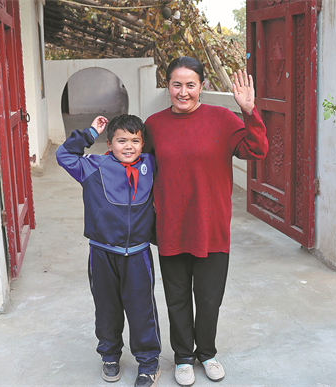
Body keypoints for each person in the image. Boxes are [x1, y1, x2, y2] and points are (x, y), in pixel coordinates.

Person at [143, 57, 269, 386]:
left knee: (210, 297)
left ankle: (208, 353)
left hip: (211, 225)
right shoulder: (154, 125)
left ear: (203, 86)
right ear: (167, 85)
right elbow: (138, 166)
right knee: (177, 296)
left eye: (190, 84)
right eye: (176, 84)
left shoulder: (222, 119)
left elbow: (257, 150)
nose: (183, 92)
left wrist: (248, 111)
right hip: (171, 225)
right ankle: (183, 356)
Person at [56, 114, 161, 387]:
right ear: (109, 143)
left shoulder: (151, 164)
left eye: (135, 140)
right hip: (102, 253)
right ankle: (110, 355)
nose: (128, 146)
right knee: (107, 308)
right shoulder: (94, 166)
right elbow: (64, 155)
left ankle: (148, 362)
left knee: (142, 309)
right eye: (121, 140)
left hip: (137, 254)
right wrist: (89, 133)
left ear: (143, 143)